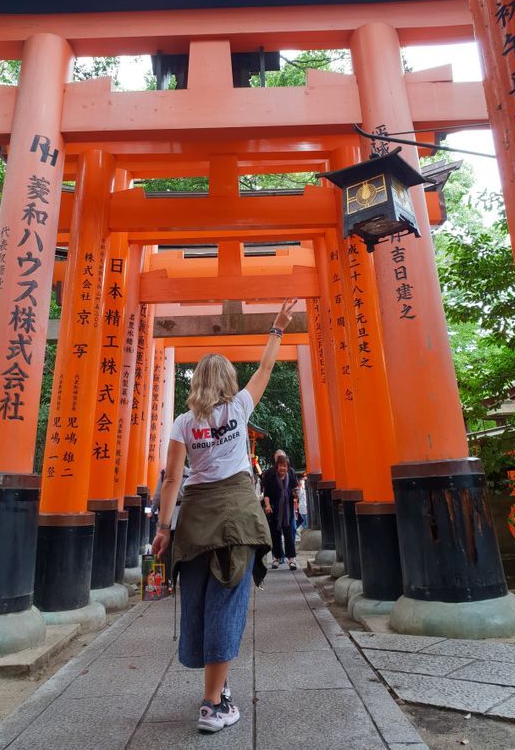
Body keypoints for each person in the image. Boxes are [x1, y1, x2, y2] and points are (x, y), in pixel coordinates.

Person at [151, 297, 297, 734]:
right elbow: (266, 370)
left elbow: (172, 480)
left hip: (194, 520)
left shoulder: (181, 423)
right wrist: (277, 328)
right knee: (228, 602)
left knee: (199, 601)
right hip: (235, 515)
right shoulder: (238, 410)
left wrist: (162, 529)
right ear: (228, 381)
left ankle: (219, 689)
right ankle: (212, 705)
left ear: (196, 382)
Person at [261, 451, 299, 570]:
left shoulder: (291, 473)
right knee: (275, 535)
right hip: (274, 509)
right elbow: (266, 494)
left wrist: (296, 496)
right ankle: (276, 558)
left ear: (287, 466)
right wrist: (267, 506)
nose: (282, 468)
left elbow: (295, 489)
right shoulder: (270, 475)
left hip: (288, 510)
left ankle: (291, 559)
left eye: (284, 465)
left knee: (289, 535)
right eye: (280, 465)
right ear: (276, 465)